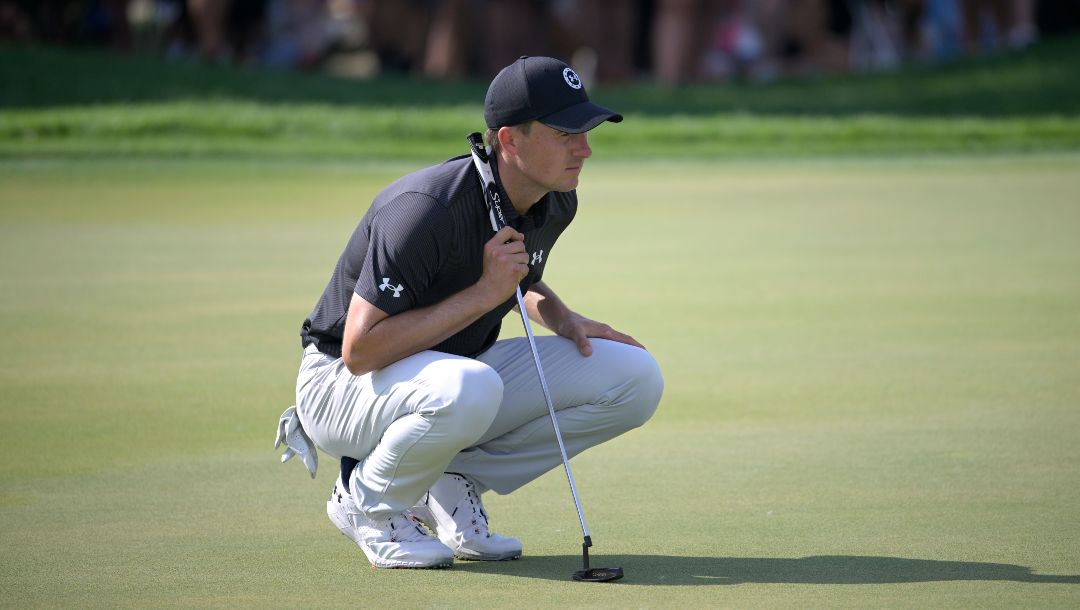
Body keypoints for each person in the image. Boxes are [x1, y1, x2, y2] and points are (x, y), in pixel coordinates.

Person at [276, 56, 664, 569]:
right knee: (470, 387)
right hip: (337, 389)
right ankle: (366, 500)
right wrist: (484, 295)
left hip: (451, 379)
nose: (585, 149)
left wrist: (562, 315)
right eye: (565, 132)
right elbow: (359, 349)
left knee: (635, 378)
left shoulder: (555, 199)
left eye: (587, 130)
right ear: (509, 140)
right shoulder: (424, 209)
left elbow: (516, 273)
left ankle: (453, 479)